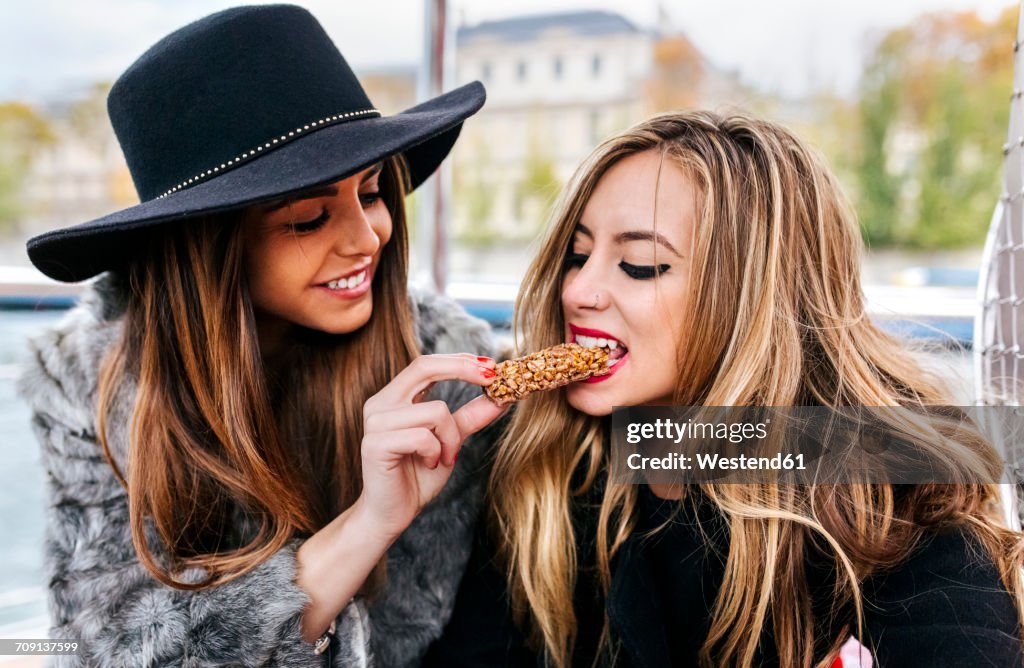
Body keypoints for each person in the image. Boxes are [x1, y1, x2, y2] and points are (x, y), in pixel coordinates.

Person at [426, 111, 1024, 667]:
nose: (578, 290)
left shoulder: (885, 495)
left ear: (751, 302)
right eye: (577, 255)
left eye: (639, 265)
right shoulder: (547, 465)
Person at [17, 5, 505, 667]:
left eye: (370, 193)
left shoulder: (444, 363)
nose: (368, 240)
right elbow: (110, 651)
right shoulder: (93, 390)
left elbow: (625, 451)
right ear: (211, 250)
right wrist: (369, 523)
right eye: (309, 219)